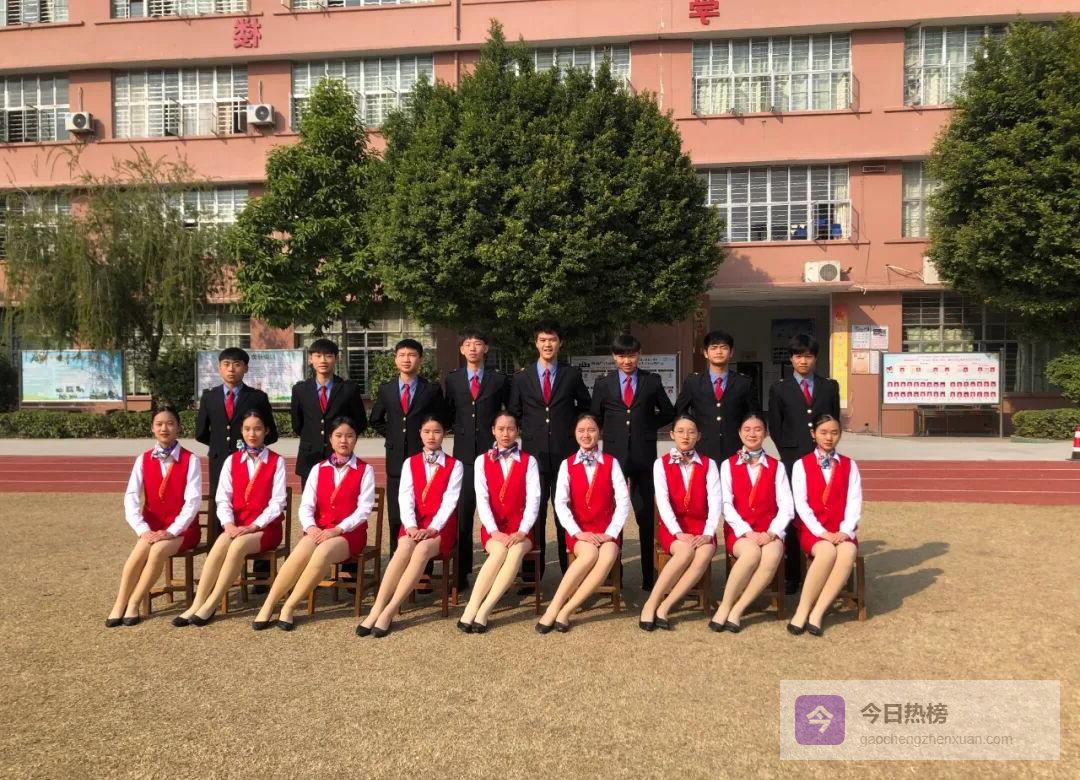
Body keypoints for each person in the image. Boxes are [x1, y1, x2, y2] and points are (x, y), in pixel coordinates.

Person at [252, 416, 375, 631]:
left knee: (323, 552)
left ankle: (289, 606)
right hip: (319, 529)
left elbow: (363, 510)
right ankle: (269, 604)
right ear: (330, 439)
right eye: (338, 435)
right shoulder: (318, 469)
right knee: (300, 552)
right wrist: (310, 527)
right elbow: (306, 505)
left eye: (349, 436)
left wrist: (337, 530)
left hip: (349, 534)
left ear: (356, 439)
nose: (343, 440)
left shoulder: (366, 470)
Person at [174, 410, 287, 627]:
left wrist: (253, 526)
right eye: (247, 429)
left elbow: (277, 502)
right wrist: (228, 524)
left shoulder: (277, 461)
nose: (252, 434)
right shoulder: (231, 460)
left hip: (265, 529)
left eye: (257, 429)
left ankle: (211, 604)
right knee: (220, 544)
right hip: (236, 527)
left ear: (266, 431)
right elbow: (222, 498)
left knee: (237, 546)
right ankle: (197, 603)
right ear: (241, 431)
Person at [357, 416, 463, 638]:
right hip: (414, 524)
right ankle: (377, 608)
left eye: (437, 431)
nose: (431, 436)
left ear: (444, 434)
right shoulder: (410, 463)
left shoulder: (455, 465)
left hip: (441, 527)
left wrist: (432, 528)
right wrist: (412, 526)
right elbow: (405, 498)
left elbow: (450, 502)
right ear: (420, 434)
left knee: (422, 549)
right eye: (427, 431)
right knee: (404, 547)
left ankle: (390, 610)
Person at [590, 333, 675, 590]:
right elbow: (595, 417)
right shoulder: (603, 384)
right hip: (613, 459)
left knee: (645, 516)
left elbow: (669, 412)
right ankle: (613, 574)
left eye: (631, 355)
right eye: (621, 355)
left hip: (644, 457)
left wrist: (647, 427)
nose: (627, 360)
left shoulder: (651, 381)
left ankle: (649, 577)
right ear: (614, 357)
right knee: (610, 515)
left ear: (639, 354)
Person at [507, 322, 591, 580]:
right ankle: (532, 574)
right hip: (534, 456)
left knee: (566, 511)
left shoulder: (571, 374)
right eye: (543, 340)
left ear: (559, 343)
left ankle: (570, 571)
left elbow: (585, 407)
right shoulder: (522, 377)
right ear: (536, 343)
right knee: (534, 512)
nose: (547, 344)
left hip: (566, 453)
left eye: (552, 340)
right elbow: (514, 412)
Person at [106, 407, 202, 627]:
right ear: (152, 428)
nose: (164, 428)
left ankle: (134, 603)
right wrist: (143, 530)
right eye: (159, 424)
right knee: (138, 552)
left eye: (170, 423)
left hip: (183, 530)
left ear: (178, 427)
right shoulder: (143, 459)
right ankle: (119, 603)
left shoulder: (191, 460)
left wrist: (172, 531)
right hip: (152, 528)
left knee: (158, 550)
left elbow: (193, 501)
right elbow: (131, 496)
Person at [536, 414, 629, 633]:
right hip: (580, 531)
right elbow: (560, 503)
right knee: (588, 555)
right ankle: (554, 608)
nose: (586, 435)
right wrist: (578, 532)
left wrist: (610, 533)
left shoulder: (612, 462)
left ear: (600, 432)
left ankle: (566, 611)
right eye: (581, 430)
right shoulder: (567, 464)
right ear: (575, 434)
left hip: (607, 531)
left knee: (607, 555)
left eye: (591, 430)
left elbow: (623, 501)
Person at [767, 333, 841, 593]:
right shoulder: (780, 388)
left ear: (815, 358)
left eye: (808, 356)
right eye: (798, 356)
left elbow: (833, 421)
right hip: (792, 458)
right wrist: (789, 453)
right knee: (791, 515)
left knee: (821, 509)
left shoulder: (829, 386)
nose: (803, 361)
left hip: (821, 460)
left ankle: (821, 569)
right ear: (791, 359)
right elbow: (775, 426)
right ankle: (792, 575)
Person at [711, 412, 794, 633]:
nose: (752, 434)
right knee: (751, 554)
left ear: (765, 434)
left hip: (770, 531)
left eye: (758, 429)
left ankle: (738, 610)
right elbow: (725, 504)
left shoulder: (777, 466)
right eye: (747, 429)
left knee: (772, 556)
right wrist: (747, 532)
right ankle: (725, 606)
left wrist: (771, 532)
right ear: (739, 433)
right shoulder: (728, 465)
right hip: (740, 532)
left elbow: (786, 505)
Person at [458, 412, 540, 633]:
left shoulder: (529, 461)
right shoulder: (481, 460)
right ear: (493, 431)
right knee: (499, 552)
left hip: (521, 530)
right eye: (501, 429)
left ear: (517, 431)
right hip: (494, 530)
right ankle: (472, 607)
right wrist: (494, 531)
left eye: (511, 429)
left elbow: (534, 500)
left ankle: (485, 610)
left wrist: (522, 531)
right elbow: (482, 499)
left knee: (515, 551)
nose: (506, 433)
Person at [444, 328, 510, 594]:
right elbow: (448, 412)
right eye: (468, 344)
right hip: (463, 457)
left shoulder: (499, 379)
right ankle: (461, 574)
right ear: (461, 350)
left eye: (478, 343)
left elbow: (509, 413)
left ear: (486, 348)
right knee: (463, 515)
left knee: (497, 512)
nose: (473, 348)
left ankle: (500, 572)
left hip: (493, 455)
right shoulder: (452, 379)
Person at [640, 414, 718, 631]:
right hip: (673, 528)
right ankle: (651, 603)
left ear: (698, 436)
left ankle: (665, 606)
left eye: (691, 432)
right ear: (672, 434)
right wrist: (677, 531)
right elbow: (662, 501)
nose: (686, 436)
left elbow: (715, 502)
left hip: (702, 528)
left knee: (703, 553)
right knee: (684, 552)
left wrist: (708, 533)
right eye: (681, 431)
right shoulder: (660, 464)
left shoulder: (709, 464)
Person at [369, 338, 447, 553]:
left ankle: (423, 565)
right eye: (402, 355)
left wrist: (425, 437)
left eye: (412, 355)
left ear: (420, 359)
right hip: (395, 458)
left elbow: (442, 419)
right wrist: (394, 437)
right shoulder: (386, 389)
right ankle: (397, 556)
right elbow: (376, 419)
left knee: (423, 510)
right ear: (395, 359)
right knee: (396, 513)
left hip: (423, 458)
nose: (406, 359)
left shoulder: (431, 389)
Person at [195, 347, 278, 545]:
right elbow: (201, 432)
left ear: (246, 368)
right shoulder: (209, 396)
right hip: (219, 460)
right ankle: (218, 549)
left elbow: (271, 433)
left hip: (250, 461)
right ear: (219, 368)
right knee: (220, 502)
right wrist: (221, 447)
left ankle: (254, 554)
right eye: (226, 364)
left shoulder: (257, 397)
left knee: (252, 501)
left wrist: (249, 448)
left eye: (237, 364)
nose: (231, 369)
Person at [788, 414, 861, 637]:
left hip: (842, 530)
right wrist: (822, 532)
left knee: (848, 552)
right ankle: (802, 610)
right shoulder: (801, 465)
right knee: (827, 552)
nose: (829, 437)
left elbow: (854, 502)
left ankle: (818, 612)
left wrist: (845, 531)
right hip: (813, 530)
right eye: (823, 432)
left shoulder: (849, 465)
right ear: (813, 434)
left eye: (834, 433)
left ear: (840, 435)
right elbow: (801, 504)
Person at [290, 338, 368, 487]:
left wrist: (342, 440)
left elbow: (360, 422)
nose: (323, 360)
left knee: (339, 496)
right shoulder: (300, 390)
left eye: (328, 356)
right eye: (318, 356)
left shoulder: (348, 389)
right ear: (310, 359)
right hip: (310, 456)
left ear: (336, 359)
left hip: (340, 455)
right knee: (310, 499)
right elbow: (297, 424)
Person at [675, 329, 758, 463]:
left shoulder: (744, 382)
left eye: (723, 348)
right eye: (714, 348)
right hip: (702, 448)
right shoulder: (693, 382)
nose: (719, 352)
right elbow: (680, 412)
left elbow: (754, 415)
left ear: (731, 352)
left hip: (735, 449)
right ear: (705, 353)